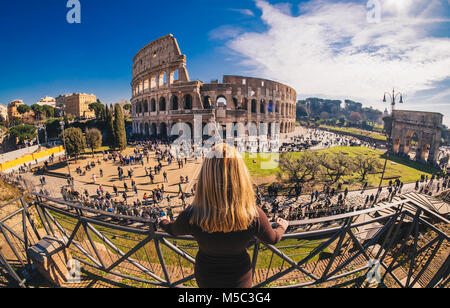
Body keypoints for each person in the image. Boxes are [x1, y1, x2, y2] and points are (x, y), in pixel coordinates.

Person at [159, 144, 288, 288]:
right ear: (240, 175)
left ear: (205, 175)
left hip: (206, 277)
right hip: (239, 279)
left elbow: (173, 230)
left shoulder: (192, 213)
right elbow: (273, 239)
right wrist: (282, 226)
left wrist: (163, 222)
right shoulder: (254, 213)